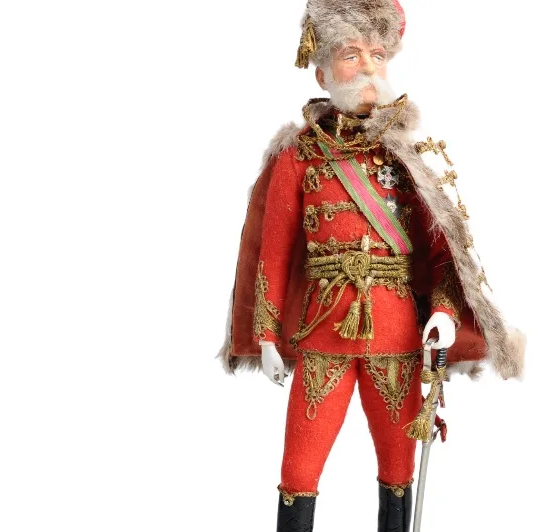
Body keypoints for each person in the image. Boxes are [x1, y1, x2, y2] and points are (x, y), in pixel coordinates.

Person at [217, 2, 525, 531]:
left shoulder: (407, 158)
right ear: (321, 73)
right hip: (322, 335)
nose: (367, 67)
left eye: (377, 55)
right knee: (298, 470)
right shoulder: (297, 157)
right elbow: (274, 253)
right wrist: (265, 336)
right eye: (351, 54)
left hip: (396, 336)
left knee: (398, 468)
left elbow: (442, 253)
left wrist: (445, 312)